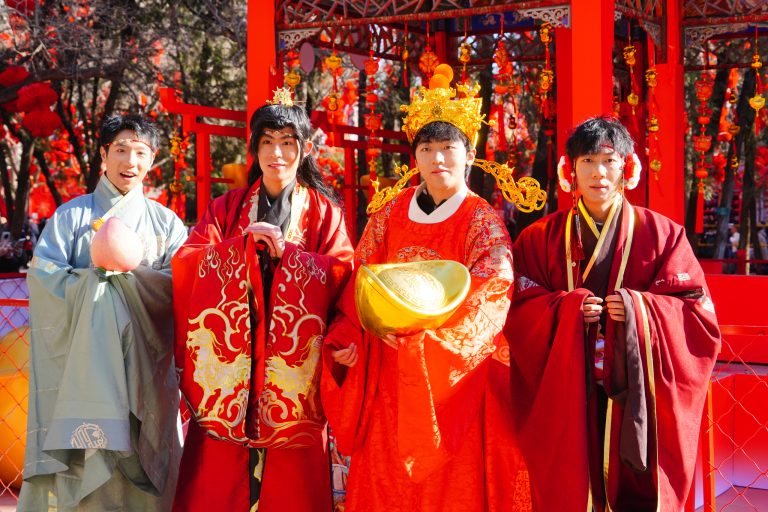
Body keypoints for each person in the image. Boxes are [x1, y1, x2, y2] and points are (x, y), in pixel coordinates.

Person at [321, 68, 536, 511]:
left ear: (470, 155)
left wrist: (433, 343)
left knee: (451, 481)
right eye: (427, 149)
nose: (438, 159)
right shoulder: (389, 215)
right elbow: (359, 280)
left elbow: (492, 292)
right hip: (386, 365)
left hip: (448, 375)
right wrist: (351, 338)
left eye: (448, 149)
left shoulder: (481, 220)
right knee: (385, 475)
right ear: (414, 157)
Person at [505, 116, 721, 511]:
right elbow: (518, 307)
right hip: (569, 386)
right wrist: (565, 310)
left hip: (637, 386)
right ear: (570, 170)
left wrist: (640, 310)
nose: (598, 173)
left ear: (627, 167)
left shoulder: (664, 235)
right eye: (587, 162)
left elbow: (696, 312)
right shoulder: (539, 238)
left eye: (609, 160)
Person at [171, 89, 353, 512]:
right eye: (267, 142)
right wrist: (240, 249)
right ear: (253, 148)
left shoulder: (326, 213)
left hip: (292, 371)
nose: (277, 153)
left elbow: (344, 274)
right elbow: (188, 263)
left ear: (305, 148)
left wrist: (289, 258)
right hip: (232, 370)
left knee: (290, 485)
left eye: (288, 142)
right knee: (221, 480)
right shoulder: (226, 208)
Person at [19, 114, 188, 511]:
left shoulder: (167, 223)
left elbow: (182, 284)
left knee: (144, 460)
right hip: (83, 369)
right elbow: (43, 280)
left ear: (152, 159)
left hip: (143, 364)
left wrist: (127, 282)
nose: (130, 161)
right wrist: (97, 284)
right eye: (121, 150)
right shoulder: (70, 217)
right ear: (103, 155)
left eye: (140, 152)